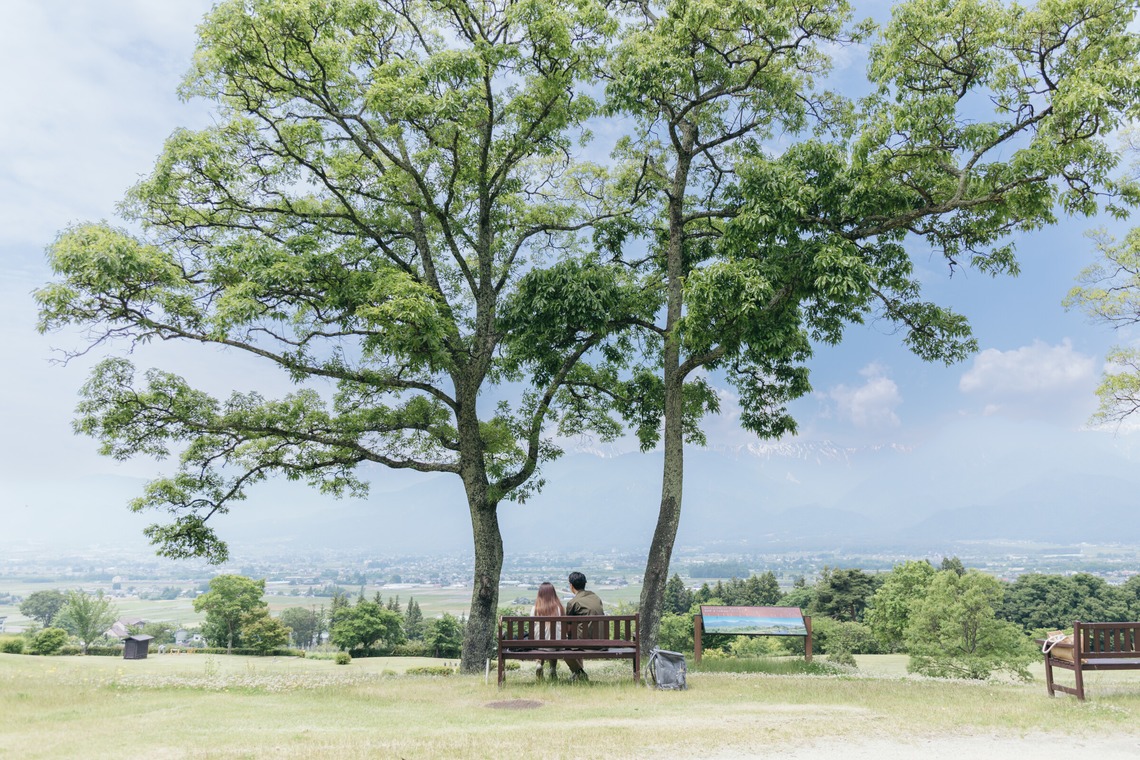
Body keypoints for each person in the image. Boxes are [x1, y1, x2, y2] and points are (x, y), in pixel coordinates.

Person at [564, 571, 603, 682]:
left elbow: (568, 627)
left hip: (585, 643)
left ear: (571, 585)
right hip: (602, 641)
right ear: (585, 583)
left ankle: (579, 673)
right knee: (576, 638)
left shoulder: (573, 603)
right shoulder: (596, 597)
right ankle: (578, 673)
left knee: (564, 648)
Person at [530, 581, 563, 680]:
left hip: (539, 645)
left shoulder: (534, 609)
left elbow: (532, 627)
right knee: (554, 639)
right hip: (555, 644)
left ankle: (539, 664)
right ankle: (552, 669)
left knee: (539, 639)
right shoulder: (558, 608)